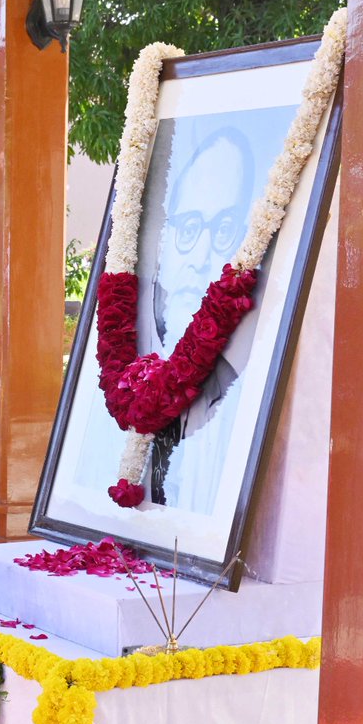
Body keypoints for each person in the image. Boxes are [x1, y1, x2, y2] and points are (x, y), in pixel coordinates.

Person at [145, 125, 256, 512]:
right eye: (190, 228)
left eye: (224, 229)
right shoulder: (130, 370)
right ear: (165, 244)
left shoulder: (244, 395)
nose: (203, 253)